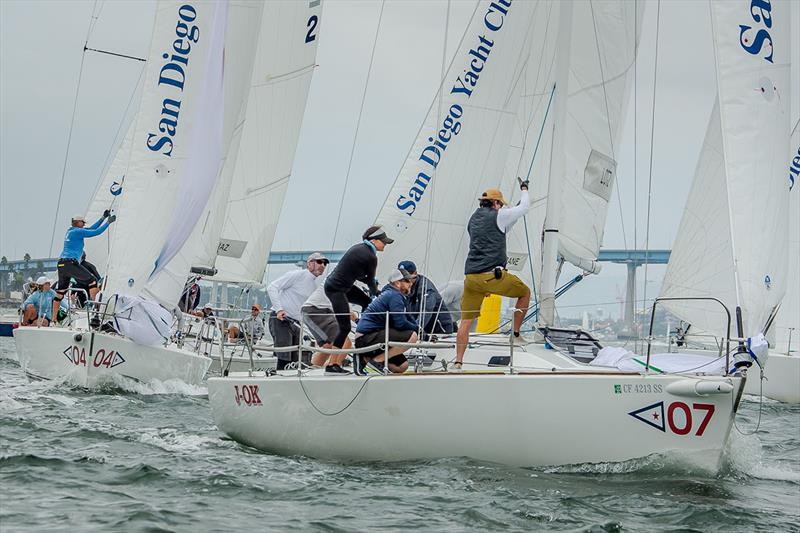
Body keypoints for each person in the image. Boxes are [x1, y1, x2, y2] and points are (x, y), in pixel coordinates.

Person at [454, 180, 531, 369]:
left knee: (465, 322)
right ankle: (515, 334)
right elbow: (525, 207)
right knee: (524, 293)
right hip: (491, 276)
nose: (502, 207)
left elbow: (501, 230)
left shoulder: (473, 219)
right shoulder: (499, 215)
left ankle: (458, 361)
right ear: (496, 203)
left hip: (471, 278)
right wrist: (524, 190)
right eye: (501, 204)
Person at [324, 225, 393, 373]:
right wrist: (379, 295)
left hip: (343, 287)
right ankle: (331, 365)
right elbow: (370, 281)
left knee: (366, 302)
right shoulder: (370, 256)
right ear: (374, 241)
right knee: (345, 328)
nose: (385, 244)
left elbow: (361, 275)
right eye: (384, 242)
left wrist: (374, 292)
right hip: (336, 289)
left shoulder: (360, 249)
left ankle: (364, 326)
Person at [268, 252, 328, 370]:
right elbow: (272, 287)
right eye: (319, 262)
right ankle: (279, 383)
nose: (323, 265)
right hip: (281, 320)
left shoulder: (315, 285)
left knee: (294, 361)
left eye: (325, 263)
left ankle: (289, 385)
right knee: (284, 358)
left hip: (296, 324)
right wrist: (279, 310)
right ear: (309, 264)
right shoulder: (297, 275)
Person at [353, 269, 418, 374]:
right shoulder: (394, 296)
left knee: (402, 366)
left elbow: (408, 317)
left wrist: (421, 331)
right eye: (407, 281)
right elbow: (400, 323)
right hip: (366, 337)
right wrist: (416, 330)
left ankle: (366, 359)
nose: (410, 283)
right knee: (413, 336)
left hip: (373, 336)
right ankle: (375, 361)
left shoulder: (395, 295)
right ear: (397, 283)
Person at [53, 212, 114, 320]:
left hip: (61, 264)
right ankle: (96, 313)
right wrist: (108, 222)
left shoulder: (70, 231)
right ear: (77, 223)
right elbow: (95, 232)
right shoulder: (77, 231)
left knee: (60, 293)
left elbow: (90, 229)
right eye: (82, 222)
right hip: (70, 263)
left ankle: (53, 320)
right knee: (93, 281)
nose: (84, 224)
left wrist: (102, 218)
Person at [301, 282, 356, 370]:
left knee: (329, 345)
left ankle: (313, 370)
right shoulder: (342, 279)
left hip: (314, 310)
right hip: (316, 310)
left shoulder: (341, 278)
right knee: (345, 342)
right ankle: (333, 368)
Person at [398, 260, 455, 336]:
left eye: (406, 278)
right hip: (424, 330)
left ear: (415, 274)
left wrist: (413, 331)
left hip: (440, 330)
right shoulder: (405, 287)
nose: (403, 281)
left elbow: (426, 312)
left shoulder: (426, 288)